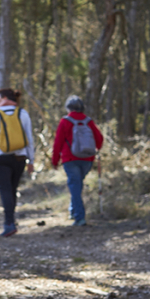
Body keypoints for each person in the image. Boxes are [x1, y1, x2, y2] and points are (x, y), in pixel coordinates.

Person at [0, 88, 35, 237]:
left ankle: (9, 223)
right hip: (20, 158)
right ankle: (11, 221)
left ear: (5, 98)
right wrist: (31, 160)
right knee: (12, 190)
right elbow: (29, 139)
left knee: (5, 190)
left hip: (0, 158)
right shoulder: (23, 114)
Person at [51, 95, 104, 226]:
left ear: (68, 108)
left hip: (70, 159)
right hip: (87, 158)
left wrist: (55, 160)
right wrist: (93, 150)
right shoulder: (88, 121)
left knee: (75, 186)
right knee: (77, 185)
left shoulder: (65, 121)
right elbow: (99, 139)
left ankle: (79, 218)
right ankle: (73, 211)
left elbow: (58, 142)